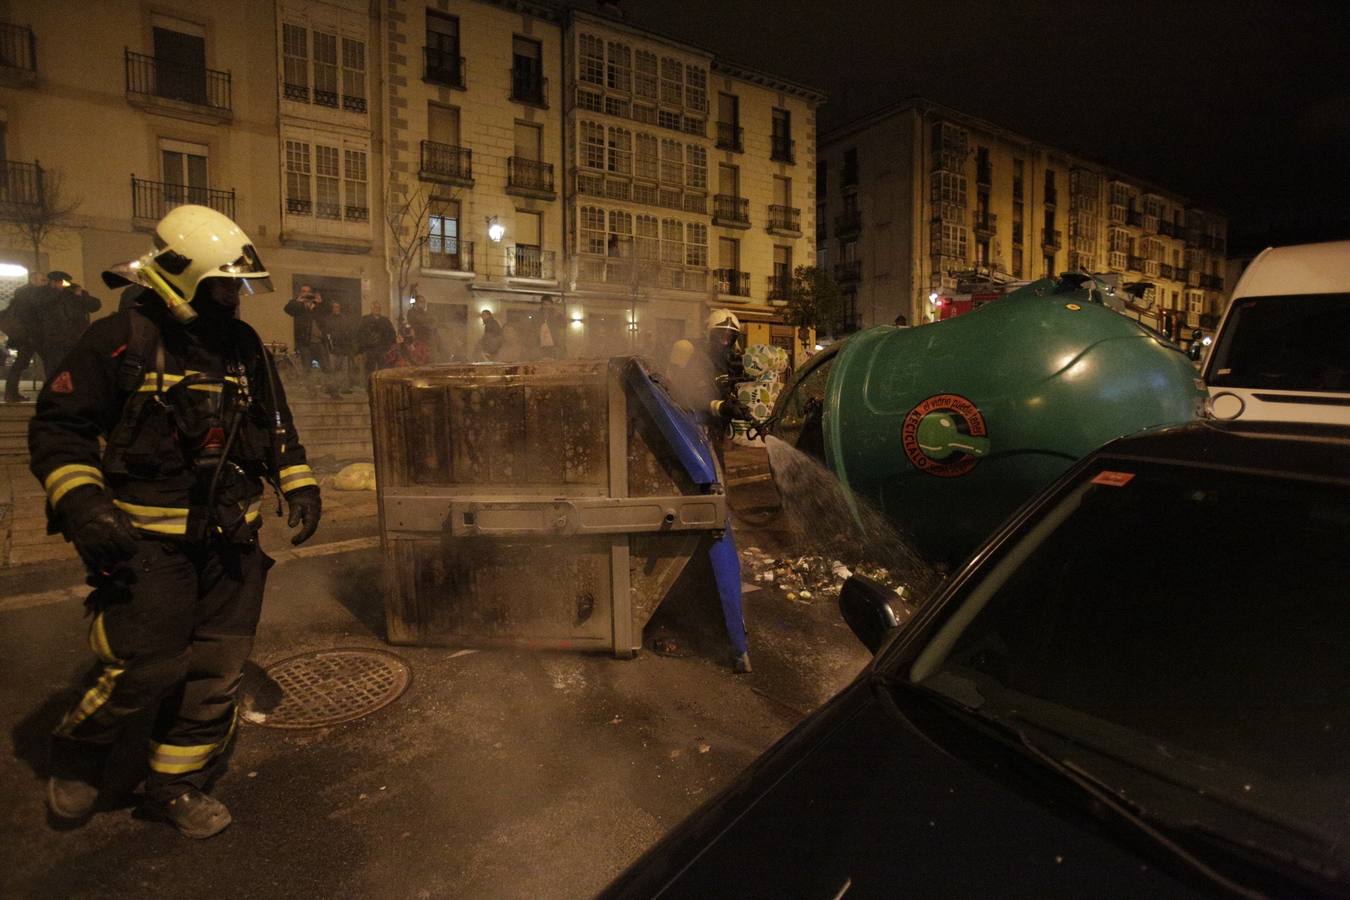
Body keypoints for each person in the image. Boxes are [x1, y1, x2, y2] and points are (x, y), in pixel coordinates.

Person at [30, 204, 321, 839]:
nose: (234, 300)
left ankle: (174, 785)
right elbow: (59, 430)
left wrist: (298, 482)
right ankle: (79, 752)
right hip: (147, 543)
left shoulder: (243, 346)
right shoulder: (119, 340)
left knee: (218, 669)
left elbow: (274, 423)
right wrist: (83, 504)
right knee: (145, 666)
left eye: (238, 288)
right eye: (222, 287)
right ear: (180, 280)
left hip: (232, 539)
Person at [39, 272, 102, 380]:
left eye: (63, 282)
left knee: (75, 366)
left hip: (75, 336)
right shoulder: (43, 293)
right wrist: (58, 292)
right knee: (54, 367)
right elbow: (40, 305)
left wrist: (81, 296)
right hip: (53, 338)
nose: (61, 284)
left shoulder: (73, 291)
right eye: (58, 282)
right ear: (52, 282)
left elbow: (95, 305)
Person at [2, 271, 46, 402]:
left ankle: (11, 393)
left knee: (21, 363)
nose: (44, 282)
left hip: (27, 336)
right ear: (33, 279)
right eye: (42, 280)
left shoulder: (24, 293)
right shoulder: (28, 294)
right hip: (29, 336)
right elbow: (30, 316)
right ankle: (11, 393)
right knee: (46, 361)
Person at [283, 284, 329, 397]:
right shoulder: (298, 306)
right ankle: (311, 392)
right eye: (303, 291)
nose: (306, 293)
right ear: (300, 293)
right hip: (305, 343)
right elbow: (287, 309)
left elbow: (327, 313)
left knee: (326, 367)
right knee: (307, 368)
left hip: (319, 342)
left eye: (308, 291)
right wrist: (297, 301)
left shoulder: (317, 306)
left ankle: (333, 391)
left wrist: (320, 303)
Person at [322, 300, 361, 393]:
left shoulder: (344, 318)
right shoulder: (328, 319)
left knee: (344, 369)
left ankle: (344, 388)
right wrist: (329, 345)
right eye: (335, 307)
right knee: (332, 369)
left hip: (343, 348)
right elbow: (326, 333)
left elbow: (348, 332)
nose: (336, 309)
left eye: (338, 307)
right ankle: (332, 388)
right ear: (332, 308)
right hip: (332, 348)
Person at [358, 307, 397, 383]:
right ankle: (369, 384)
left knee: (382, 369)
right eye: (375, 308)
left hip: (382, 349)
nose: (377, 309)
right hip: (370, 349)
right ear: (371, 309)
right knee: (370, 369)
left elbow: (391, 333)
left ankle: (381, 384)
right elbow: (361, 334)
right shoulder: (365, 320)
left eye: (378, 308)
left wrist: (389, 344)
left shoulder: (385, 321)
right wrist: (365, 345)